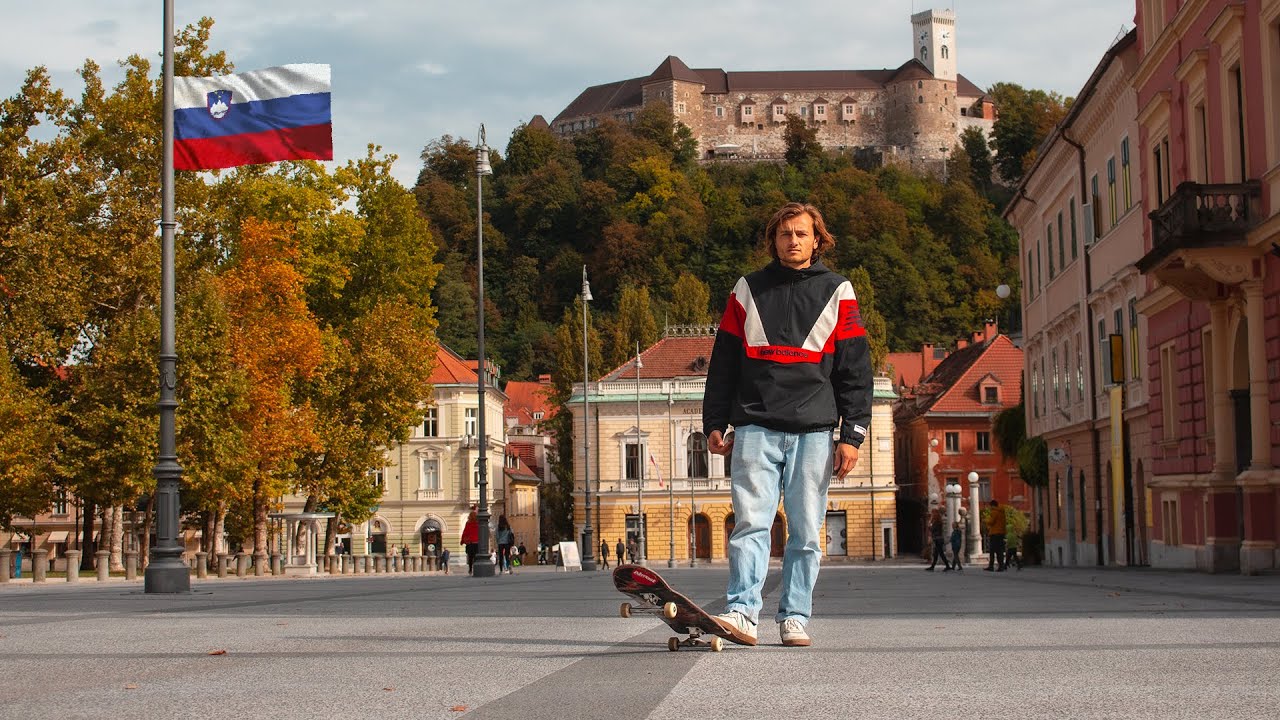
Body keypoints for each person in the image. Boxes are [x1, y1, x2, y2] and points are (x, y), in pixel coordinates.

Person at [703, 201, 873, 648]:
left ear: (817, 240)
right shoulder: (747, 289)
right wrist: (714, 421)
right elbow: (723, 362)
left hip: (814, 430)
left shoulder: (838, 290)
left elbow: (855, 369)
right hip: (755, 426)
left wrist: (852, 435)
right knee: (750, 524)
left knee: (806, 532)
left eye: (801, 233)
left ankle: (795, 616)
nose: (792, 240)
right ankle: (742, 612)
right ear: (773, 240)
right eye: (784, 233)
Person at [986, 499, 1007, 571]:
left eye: (990, 506)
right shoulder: (1002, 512)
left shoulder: (994, 512)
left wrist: (986, 521)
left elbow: (991, 522)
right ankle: (1001, 565)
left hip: (994, 533)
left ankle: (991, 566)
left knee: (992, 550)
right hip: (1001, 533)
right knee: (999, 550)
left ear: (992, 506)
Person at [461, 506, 479, 575]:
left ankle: (470, 569)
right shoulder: (478, 523)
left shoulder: (468, 523)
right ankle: (476, 568)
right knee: (476, 556)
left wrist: (462, 541)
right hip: (477, 542)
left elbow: (465, 532)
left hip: (470, 543)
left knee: (470, 557)